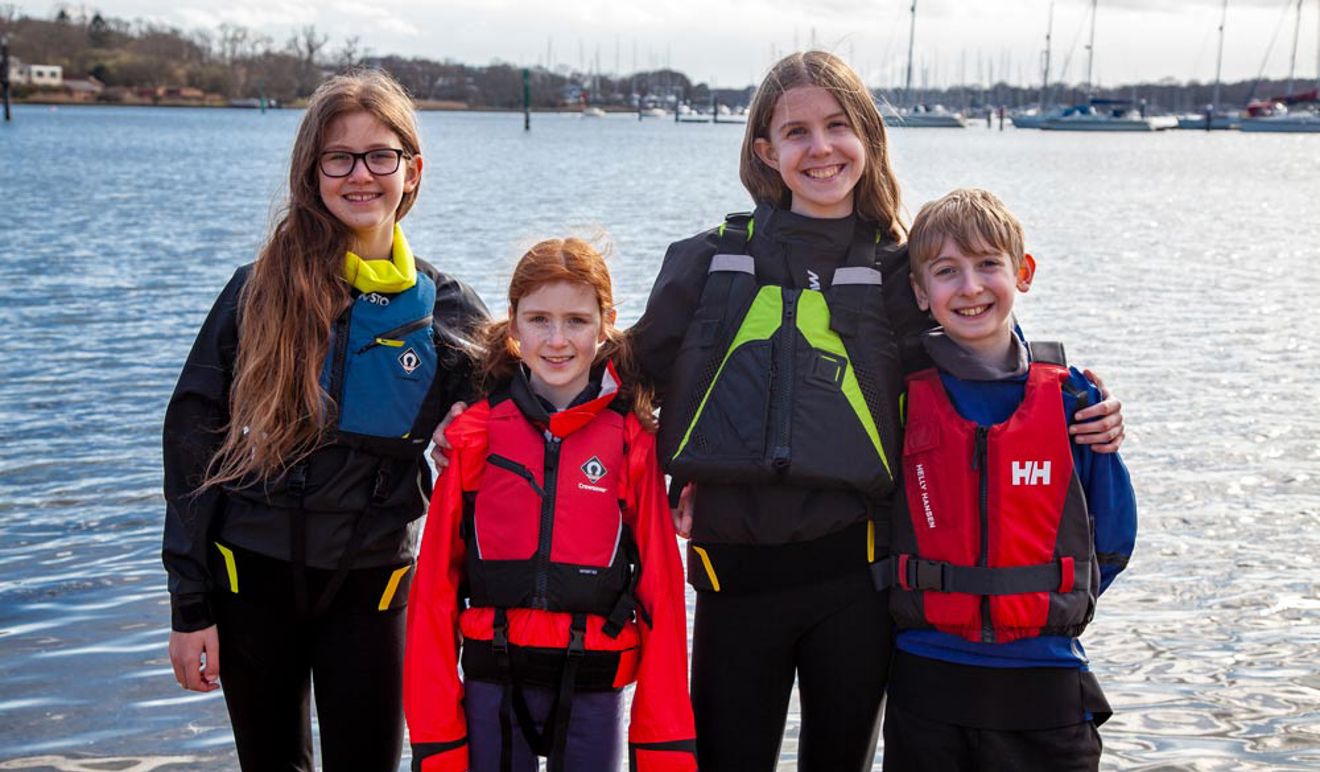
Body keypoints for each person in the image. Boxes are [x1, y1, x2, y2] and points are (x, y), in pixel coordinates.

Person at [629, 51, 1126, 771]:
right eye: (796, 132)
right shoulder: (707, 262)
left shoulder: (901, 274)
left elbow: (989, 365)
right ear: (766, 151)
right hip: (734, 584)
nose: (820, 147)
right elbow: (620, 378)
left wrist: (1089, 403)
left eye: (838, 125)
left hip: (857, 593)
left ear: (867, 136)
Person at [162, 70, 487, 771]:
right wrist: (190, 606)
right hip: (251, 578)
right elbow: (191, 436)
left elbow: (530, 407)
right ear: (312, 174)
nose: (360, 174)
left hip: (374, 582)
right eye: (338, 157)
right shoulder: (257, 292)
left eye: (380, 155)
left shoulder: (449, 310)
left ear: (412, 169)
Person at [404, 238, 697, 772]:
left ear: (607, 323)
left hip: (594, 691)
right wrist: (436, 742)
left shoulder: (632, 441)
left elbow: (662, 596)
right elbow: (432, 599)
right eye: (539, 319)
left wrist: (664, 751)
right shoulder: (473, 436)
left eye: (577, 321)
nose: (557, 340)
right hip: (492, 686)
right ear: (512, 324)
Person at [880, 187, 1137, 770]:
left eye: (988, 264)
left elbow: (1114, 536)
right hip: (928, 682)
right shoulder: (899, 397)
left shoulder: (1075, 400)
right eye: (946, 272)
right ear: (921, 292)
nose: (970, 287)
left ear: (1022, 273)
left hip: (1047, 686)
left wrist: (1047, 601)